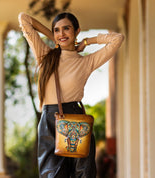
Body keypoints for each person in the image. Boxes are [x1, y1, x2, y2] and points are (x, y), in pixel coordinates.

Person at [18, 11, 124, 178]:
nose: (62, 34)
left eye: (66, 29)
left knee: (82, 173)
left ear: (76, 31)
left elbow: (117, 39)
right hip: (49, 124)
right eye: (57, 30)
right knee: (51, 175)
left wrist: (88, 42)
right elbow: (24, 18)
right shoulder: (44, 55)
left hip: (75, 121)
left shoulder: (86, 62)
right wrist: (54, 38)